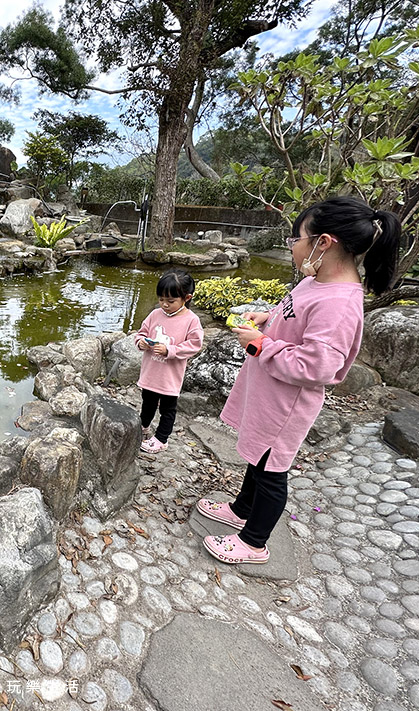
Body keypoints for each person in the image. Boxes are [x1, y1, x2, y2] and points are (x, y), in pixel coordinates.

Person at [197, 196, 400, 564]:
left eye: (296, 238)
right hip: (270, 394)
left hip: (286, 405)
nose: (292, 246)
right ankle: (241, 508)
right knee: (258, 458)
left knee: (272, 472)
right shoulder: (316, 280)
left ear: (323, 242)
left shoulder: (339, 303)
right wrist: (267, 318)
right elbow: (292, 315)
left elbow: (318, 365)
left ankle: (254, 542)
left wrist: (261, 346)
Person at [134, 269, 204, 454]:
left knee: (168, 408)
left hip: (170, 376)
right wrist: (141, 342)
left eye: (171, 301)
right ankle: (143, 427)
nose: (164, 304)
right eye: (161, 299)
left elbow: (195, 344)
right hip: (151, 372)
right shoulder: (155, 315)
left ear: (186, 298)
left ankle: (161, 439)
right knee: (147, 402)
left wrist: (170, 350)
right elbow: (141, 333)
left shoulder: (191, 321)